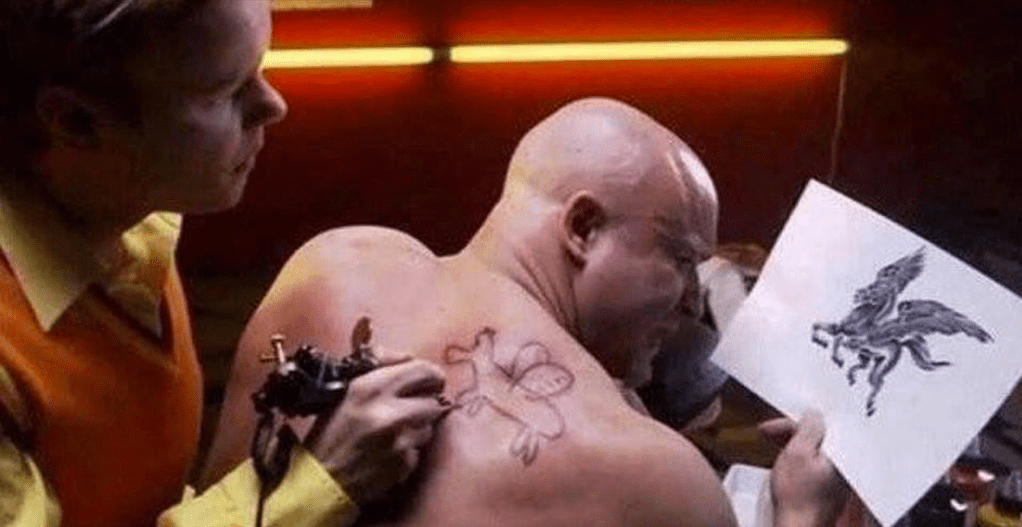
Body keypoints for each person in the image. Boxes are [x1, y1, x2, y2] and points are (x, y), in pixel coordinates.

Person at [205, 97, 849, 527]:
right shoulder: (651, 472)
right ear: (583, 227)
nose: (690, 299)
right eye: (681, 259)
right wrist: (801, 518)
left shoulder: (333, 263)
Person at [0, 1, 449, 526]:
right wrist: (317, 484)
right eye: (225, 91)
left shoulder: (132, 218)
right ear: (75, 120)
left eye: (260, 68)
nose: (273, 105)